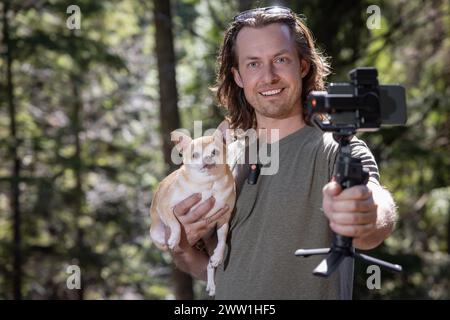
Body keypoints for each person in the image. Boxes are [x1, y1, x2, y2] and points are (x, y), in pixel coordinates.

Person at [168, 6, 397, 299]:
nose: (269, 76)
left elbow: (375, 213)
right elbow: (221, 270)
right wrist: (183, 247)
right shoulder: (223, 158)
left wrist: (366, 213)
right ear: (238, 76)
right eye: (253, 64)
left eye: (281, 59)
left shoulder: (336, 150)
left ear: (302, 66)